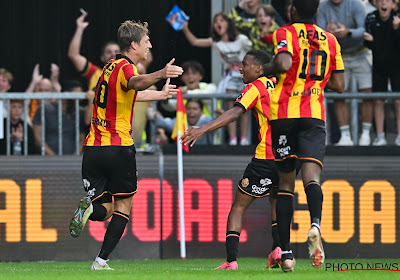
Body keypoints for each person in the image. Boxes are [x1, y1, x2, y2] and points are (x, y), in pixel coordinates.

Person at [68, 20, 183, 270]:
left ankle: (88, 210)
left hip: (93, 149)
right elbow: (135, 83)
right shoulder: (125, 66)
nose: (149, 45)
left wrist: (161, 94)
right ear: (133, 44)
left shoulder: (108, 68)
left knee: (105, 209)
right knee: (123, 207)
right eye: (146, 42)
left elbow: (133, 93)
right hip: (118, 147)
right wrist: (161, 73)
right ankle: (100, 261)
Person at [262, 0, 345, 272]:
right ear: (318, 11)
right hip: (314, 115)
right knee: (312, 177)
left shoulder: (284, 33)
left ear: (293, 11)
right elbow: (340, 85)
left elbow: (284, 63)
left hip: (285, 114)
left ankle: (286, 255)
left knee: (285, 184)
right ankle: (315, 225)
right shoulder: (331, 40)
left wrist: (264, 70)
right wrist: (315, 79)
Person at [182, 50, 282, 270]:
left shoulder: (255, 87)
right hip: (288, 156)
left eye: (245, 64)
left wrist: (202, 129)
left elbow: (235, 113)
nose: (240, 68)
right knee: (276, 200)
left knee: (238, 207)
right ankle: (279, 250)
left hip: (266, 156)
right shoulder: (282, 84)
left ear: (259, 69)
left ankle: (231, 260)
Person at [182, 12, 252, 146]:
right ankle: (232, 139)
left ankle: (244, 139)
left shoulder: (241, 39)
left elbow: (255, 51)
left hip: (245, 76)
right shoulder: (217, 42)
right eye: (215, 21)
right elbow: (195, 41)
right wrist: (185, 28)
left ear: (228, 24)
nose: (218, 23)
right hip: (231, 77)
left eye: (221, 20)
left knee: (245, 108)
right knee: (231, 107)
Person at [317, 0, 373, 146]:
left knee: (368, 92)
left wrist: (347, 32)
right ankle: (345, 135)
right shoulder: (323, 6)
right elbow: (318, 33)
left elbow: (363, 29)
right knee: (338, 93)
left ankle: (366, 134)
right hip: (338, 55)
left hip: (360, 53)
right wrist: (327, 32)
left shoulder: (355, 4)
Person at [364, 0, 400, 146]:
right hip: (378, 66)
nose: (383, 4)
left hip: (397, 66)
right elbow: (368, 44)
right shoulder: (370, 18)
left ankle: (399, 136)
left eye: (387, 1)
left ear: (392, 4)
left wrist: (396, 30)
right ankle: (380, 136)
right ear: (376, 4)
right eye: (380, 1)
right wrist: (379, 41)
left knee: (398, 101)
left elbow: (395, 45)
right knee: (378, 100)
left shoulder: (398, 18)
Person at [68, 12, 120, 91]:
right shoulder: (95, 73)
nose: (113, 54)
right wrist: (80, 28)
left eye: (116, 51)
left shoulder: (130, 72)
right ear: (102, 58)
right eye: (109, 52)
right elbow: (74, 55)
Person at [149, 98, 215, 145]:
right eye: (188, 109)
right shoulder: (180, 121)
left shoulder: (207, 121)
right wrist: (152, 114)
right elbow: (163, 122)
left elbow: (217, 124)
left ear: (201, 111)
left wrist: (221, 116)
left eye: (194, 109)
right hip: (184, 156)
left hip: (205, 156)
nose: (191, 112)